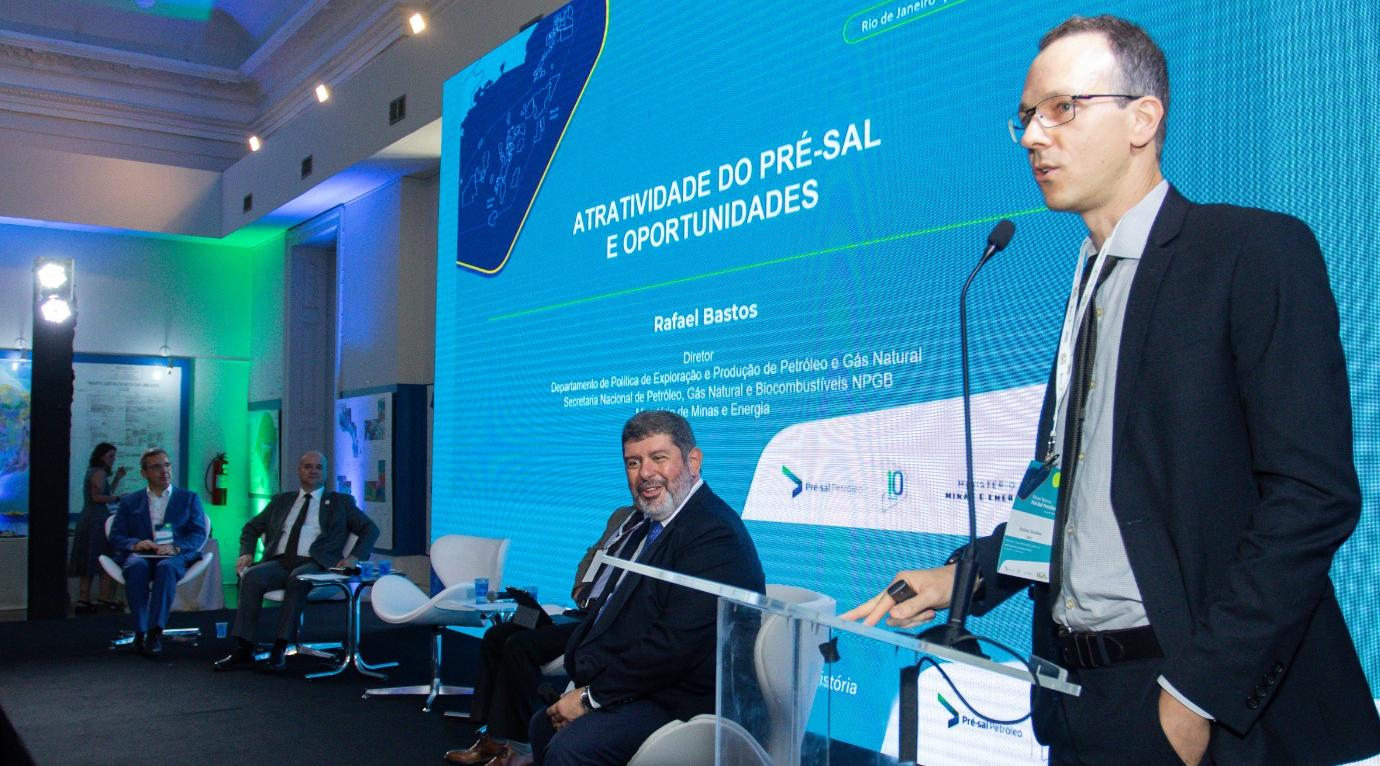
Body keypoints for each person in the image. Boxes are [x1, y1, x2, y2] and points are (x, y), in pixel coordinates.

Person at [844, 15, 1380, 766]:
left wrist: (1196, 697)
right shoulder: (1085, 283)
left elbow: (1312, 496)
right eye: (1027, 116)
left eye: (1062, 108)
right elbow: (1072, 495)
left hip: (1192, 701)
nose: (1034, 136)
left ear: (1143, 119)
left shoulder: (1252, 251)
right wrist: (963, 579)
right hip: (1072, 698)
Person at [527, 410, 765, 766]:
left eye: (659, 458)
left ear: (693, 461)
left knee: (571, 747)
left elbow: (675, 645)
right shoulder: (654, 524)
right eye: (634, 462)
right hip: (653, 685)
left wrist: (591, 698)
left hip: (691, 700)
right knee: (543, 725)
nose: (645, 474)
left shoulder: (712, 532)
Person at [444, 506, 635, 765]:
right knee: (497, 635)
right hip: (580, 611)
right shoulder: (623, 515)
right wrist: (580, 587)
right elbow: (593, 553)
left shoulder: (658, 531)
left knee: (520, 645)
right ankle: (491, 737)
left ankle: (517, 748)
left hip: (603, 621)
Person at [213, 451, 379, 672]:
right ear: (299, 471)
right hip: (280, 561)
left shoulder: (340, 503)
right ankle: (244, 646)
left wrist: (353, 558)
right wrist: (247, 553)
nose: (314, 471)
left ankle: (280, 647)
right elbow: (252, 527)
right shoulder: (281, 501)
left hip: (316, 562)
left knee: (298, 579)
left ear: (325, 473)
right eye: (308, 467)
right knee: (251, 576)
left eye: (319, 467)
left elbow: (370, 529)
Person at [108, 448, 207, 656]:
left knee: (166, 567)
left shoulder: (189, 498)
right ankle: (140, 631)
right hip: (141, 555)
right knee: (136, 566)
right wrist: (136, 544)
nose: (164, 471)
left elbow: (198, 534)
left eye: (167, 465)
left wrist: (176, 547)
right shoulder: (130, 501)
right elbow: (116, 536)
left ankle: (154, 632)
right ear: (144, 473)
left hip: (174, 555)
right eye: (156, 467)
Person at [68, 442, 127, 613]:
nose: (113, 459)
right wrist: (119, 499)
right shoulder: (99, 472)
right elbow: (97, 497)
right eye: (111, 456)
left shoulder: (93, 471)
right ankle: (104, 598)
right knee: (103, 557)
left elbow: (103, 493)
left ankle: (84, 598)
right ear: (102, 456)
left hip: (90, 518)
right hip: (97, 520)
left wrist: (117, 479)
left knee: (88, 558)